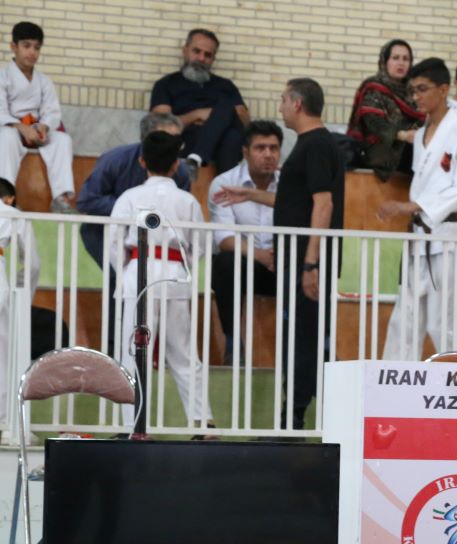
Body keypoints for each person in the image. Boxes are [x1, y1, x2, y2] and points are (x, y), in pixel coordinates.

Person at [108, 131, 214, 433]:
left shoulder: (129, 197)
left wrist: (127, 270)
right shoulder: (188, 201)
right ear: (176, 164)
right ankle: (202, 421)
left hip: (137, 273)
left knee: (132, 351)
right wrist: (181, 265)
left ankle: (132, 425)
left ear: (142, 161)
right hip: (174, 274)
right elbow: (200, 245)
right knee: (183, 352)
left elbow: (114, 244)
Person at [378, 58, 457, 361]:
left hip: (449, 235)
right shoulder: (422, 133)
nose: (416, 96)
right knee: (405, 319)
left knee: (446, 323)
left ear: (444, 89)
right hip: (422, 235)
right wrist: (415, 208)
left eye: (422, 89)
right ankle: (393, 383)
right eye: (412, 90)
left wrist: (413, 206)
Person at [274, 78, 344, 430]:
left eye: (283, 100)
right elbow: (297, 201)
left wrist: (310, 263)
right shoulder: (313, 144)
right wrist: (250, 195)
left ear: (297, 104)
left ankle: (295, 418)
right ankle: (301, 414)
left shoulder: (316, 144)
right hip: (302, 259)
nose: (281, 107)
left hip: (307, 261)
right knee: (303, 338)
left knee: (304, 340)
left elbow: (323, 203)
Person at [207, 119, 282, 364]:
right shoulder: (224, 184)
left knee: (310, 263)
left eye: (274, 148)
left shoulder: (288, 184)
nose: (268, 154)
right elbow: (224, 238)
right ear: (245, 152)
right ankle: (232, 345)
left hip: (282, 264)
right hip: (247, 264)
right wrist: (261, 256)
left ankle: (318, 346)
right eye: (260, 148)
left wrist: (280, 255)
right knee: (225, 262)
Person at [77, 113, 190, 269]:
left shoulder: (181, 170)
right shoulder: (115, 159)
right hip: (107, 230)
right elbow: (87, 200)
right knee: (116, 275)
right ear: (146, 139)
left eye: (177, 139)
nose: (172, 145)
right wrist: (129, 210)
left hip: (155, 236)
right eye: (164, 138)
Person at [150, 28, 249, 176]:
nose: (201, 58)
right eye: (196, 51)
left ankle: (198, 156)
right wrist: (197, 115)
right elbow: (161, 126)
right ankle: (225, 184)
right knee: (231, 134)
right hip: (184, 143)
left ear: (213, 59)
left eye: (208, 55)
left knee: (228, 116)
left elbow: (244, 122)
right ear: (185, 51)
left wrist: (215, 118)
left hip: (221, 145)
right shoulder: (166, 84)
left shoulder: (225, 86)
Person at [0, 22, 74, 212]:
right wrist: (21, 128)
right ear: (13, 47)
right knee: (6, 137)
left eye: (37, 47)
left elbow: (52, 112)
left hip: (36, 131)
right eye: (26, 46)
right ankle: (5, 196)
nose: (32, 52)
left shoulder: (44, 81)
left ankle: (61, 198)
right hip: (11, 130)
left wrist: (44, 126)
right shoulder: (3, 77)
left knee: (62, 140)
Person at [347, 39, 423, 180]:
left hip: (409, 151)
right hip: (378, 152)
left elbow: (423, 119)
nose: (401, 63)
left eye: (405, 59)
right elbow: (375, 124)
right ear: (385, 61)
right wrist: (403, 135)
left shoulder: (415, 92)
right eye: (395, 58)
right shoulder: (373, 87)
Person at [0, 177, 41, 424]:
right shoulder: (11, 214)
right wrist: (19, 291)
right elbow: (32, 264)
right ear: (9, 199)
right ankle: (5, 420)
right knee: (3, 351)